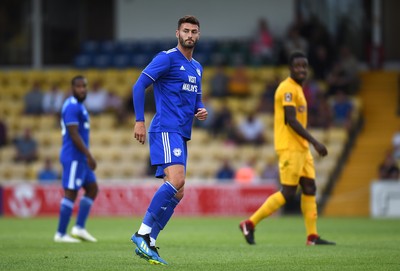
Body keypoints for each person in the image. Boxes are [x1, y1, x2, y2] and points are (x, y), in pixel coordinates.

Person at [130, 15, 207, 265]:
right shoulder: (166, 58)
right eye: (186, 31)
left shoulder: (197, 67)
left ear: (198, 35)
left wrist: (201, 109)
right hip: (165, 128)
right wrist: (139, 120)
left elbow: (197, 100)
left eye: (194, 31)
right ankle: (141, 233)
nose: (190, 35)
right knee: (177, 180)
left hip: (181, 132)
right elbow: (138, 85)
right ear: (177, 33)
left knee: (179, 191)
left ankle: (150, 240)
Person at [239, 51, 335, 246]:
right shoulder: (287, 89)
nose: (301, 70)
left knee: (310, 187)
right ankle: (249, 223)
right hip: (290, 147)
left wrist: (309, 144)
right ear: (290, 68)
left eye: (304, 66)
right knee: (289, 192)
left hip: (301, 147)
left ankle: (312, 236)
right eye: (297, 66)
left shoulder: (298, 90)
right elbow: (291, 120)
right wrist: (315, 142)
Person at [54, 75, 99, 243]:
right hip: (73, 156)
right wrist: (89, 155)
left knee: (92, 188)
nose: (82, 89)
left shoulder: (80, 106)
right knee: (71, 192)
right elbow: (73, 133)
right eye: (79, 87)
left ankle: (79, 227)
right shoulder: (72, 106)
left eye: (84, 86)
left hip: (80, 158)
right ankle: (60, 233)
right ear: (72, 88)